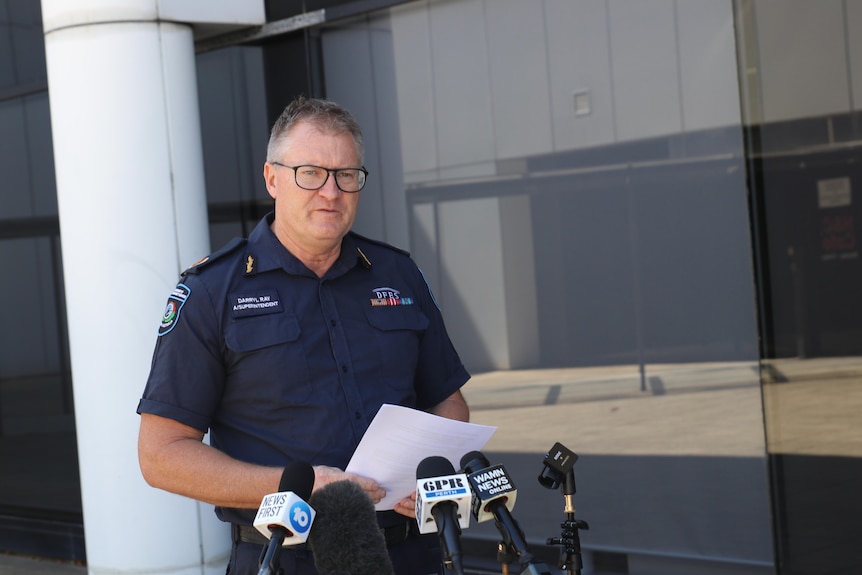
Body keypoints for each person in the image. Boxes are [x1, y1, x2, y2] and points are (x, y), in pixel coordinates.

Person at [136, 95, 470, 575]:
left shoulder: (399, 274)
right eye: (310, 173)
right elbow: (161, 455)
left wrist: (435, 467)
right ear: (272, 178)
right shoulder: (212, 291)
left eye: (346, 175)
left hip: (410, 554)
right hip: (286, 557)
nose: (331, 192)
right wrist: (296, 485)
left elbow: (448, 401)